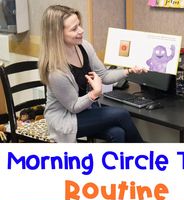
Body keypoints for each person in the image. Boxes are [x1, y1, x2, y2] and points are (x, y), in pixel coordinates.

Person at [39, 5, 146, 143]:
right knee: (122, 115)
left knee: (118, 133)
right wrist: (95, 93)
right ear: (57, 34)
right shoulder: (55, 71)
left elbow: (105, 76)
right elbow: (73, 107)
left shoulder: (84, 46)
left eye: (79, 25)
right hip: (66, 118)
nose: (81, 30)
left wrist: (129, 70)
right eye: (74, 29)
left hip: (86, 109)